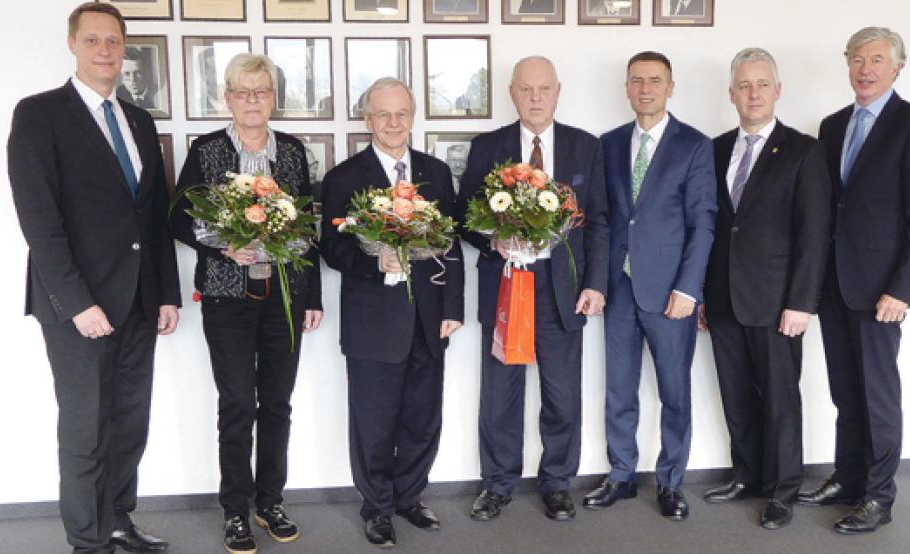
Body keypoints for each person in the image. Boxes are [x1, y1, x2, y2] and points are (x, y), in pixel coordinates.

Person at [7, 3, 180, 553]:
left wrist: (168, 294)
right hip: (78, 306)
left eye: (113, 40)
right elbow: (39, 219)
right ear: (72, 44)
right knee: (86, 429)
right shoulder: (40, 114)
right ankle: (87, 540)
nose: (105, 49)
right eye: (93, 40)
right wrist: (77, 302)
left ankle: (117, 520)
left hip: (138, 302)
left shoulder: (138, 121)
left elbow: (153, 218)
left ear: (123, 47)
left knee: (130, 423)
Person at [170, 53, 323, 554]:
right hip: (227, 297)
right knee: (237, 403)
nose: (252, 101)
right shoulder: (208, 150)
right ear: (227, 98)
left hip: (284, 295)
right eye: (243, 91)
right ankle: (236, 508)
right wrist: (221, 247)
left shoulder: (295, 153)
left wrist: (312, 295)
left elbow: (308, 227)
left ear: (273, 98)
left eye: (261, 91)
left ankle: (270, 501)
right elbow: (176, 219)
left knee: (277, 402)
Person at [798, 26, 910, 535]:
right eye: (857, 58)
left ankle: (879, 496)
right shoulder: (833, 125)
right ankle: (848, 477)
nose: (865, 68)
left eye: (877, 59)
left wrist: (902, 289)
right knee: (845, 392)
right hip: (836, 283)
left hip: (883, 290)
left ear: (897, 67)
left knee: (877, 395)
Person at [456, 56, 609, 523]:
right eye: (526, 89)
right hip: (506, 285)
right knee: (500, 394)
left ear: (558, 92)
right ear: (512, 92)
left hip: (562, 289)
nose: (536, 97)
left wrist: (596, 285)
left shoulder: (586, 147)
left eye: (544, 89)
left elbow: (599, 221)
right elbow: (464, 216)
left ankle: (557, 484)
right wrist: (493, 238)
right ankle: (498, 484)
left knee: (562, 395)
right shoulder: (488, 147)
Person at [320, 77, 465, 548]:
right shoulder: (344, 177)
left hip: (429, 318)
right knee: (374, 421)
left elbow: (453, 245)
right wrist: (371, 260)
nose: (393, 122)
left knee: (423, 417)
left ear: (413, 116)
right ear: (367, 120)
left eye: (401, 113)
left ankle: (409, 497)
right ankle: (377, 506)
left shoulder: (436, 173)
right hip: (373, 321)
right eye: (383, 115)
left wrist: (453, 307)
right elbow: (331, 248)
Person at [700, 48, 831, 530]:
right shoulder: (713, 149)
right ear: (731, 93)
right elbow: (710, 228)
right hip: (722, 298)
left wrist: (802, 302)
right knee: (735, 394)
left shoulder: (804, 150)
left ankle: (783, 490)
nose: (753, 94)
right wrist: (700, 295)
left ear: (778, 91)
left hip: (778, 302)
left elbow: (814, 233)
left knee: (779, 398)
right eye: (744, 86)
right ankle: (748, 475)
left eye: (762, 85)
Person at [582, 51, 715, 521]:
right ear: (626, 87)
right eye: (636, 80)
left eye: (654, 80)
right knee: (618, 390)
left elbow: (703, 225)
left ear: (670, 87)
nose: (645, 89)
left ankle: (671, 482)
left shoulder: (695, 145)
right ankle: (620, 476)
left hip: (669, 294)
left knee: (674, 391)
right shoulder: (610, 143)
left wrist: (689, 289)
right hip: (618, 290)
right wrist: (596, 282)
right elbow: (600, 220)